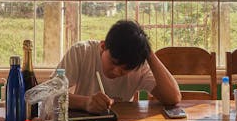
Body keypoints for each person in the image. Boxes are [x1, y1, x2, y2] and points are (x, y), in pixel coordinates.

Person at [53, 20, 181, 113]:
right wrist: (85, 103)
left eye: (126, 69)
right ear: (103, 46)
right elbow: (50, 94)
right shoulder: (82, 52)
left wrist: (148, 52)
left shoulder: (138, 67)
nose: (117, 71)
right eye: (114, 62)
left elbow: (173, 98)